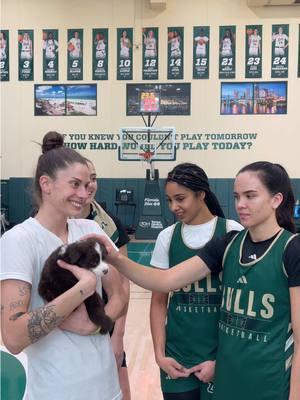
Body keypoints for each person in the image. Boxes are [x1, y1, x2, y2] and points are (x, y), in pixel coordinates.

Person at [90, 161, 300, 400]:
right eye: (237, 196)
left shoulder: (291, 249)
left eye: (250, 196)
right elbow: (165, 280)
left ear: (276, 200)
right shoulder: (229, 243)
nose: (241, 204)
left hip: (269, 384)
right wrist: (115, 258)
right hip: (228, 380)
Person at [0, 132, 127, 400]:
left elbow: (120, 295)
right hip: (55, 391)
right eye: (75, 184)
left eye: (88, 184)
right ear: (46, 184)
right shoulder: (18, 241)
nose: (85, 193)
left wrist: (95, 324)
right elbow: (13, 337)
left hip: (106, 388)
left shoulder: (91, 229)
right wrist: (83, 289)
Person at [150, 163, 243, 400]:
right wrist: (159, 355)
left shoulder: (232, 231)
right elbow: (158, 302)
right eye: (170, 200)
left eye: (180, 199)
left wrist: (221, 360)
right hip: (176, 358)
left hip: (218, 357)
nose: (174, 207)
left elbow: (238, 305)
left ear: (201, 194)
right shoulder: (167, 237)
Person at [78, 158, 131, 400]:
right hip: (68, 324)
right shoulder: (51, 222)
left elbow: (124, 283)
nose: (89, 185)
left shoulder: (110, 224)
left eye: (94, 178)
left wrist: (118, 336)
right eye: (81, 180)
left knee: (121, 389)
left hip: (105, 321)